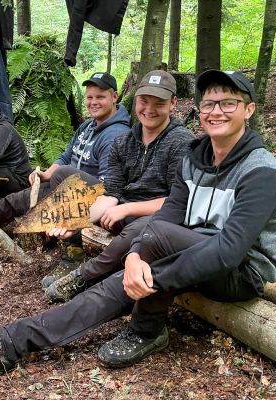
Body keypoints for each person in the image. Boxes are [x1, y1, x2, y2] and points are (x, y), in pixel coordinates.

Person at [0, 70, 276, 374]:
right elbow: (173, 211)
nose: (216, 111)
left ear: (249, 109)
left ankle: (146, 329)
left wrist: (152, 276)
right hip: (190, 250)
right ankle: (11, 342)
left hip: (241, 271)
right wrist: (133, 258)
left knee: (144, 254)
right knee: (118, 279)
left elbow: (229, 252)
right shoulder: (196, 157)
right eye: (210, 103)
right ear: (199, 110)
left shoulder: (260, 171)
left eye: (228, 103)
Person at [43, 70, 194, 302]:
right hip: (117, 211)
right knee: (67, 176)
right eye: (144, 101)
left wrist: (126, 209)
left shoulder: (182, 142)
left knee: (140, 229)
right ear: (135, 101)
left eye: (159, 103)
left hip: (157, 219)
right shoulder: (123, 141)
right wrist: (78, 220)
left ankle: (83, 277)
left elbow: (178, 201)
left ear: (173, 103)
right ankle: (72, 256)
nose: (149, 109)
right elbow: (111, 192)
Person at [0, 72, 130, 256]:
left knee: (14, 202)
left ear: (114, 97)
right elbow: (66, 156)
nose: (93, 102)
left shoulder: (116, 135)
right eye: (89, 97)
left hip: (80, 195)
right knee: (17, 200)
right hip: (63, 183)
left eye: (100, 97)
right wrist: (46, 174)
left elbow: (106, 186)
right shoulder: (88, 126)